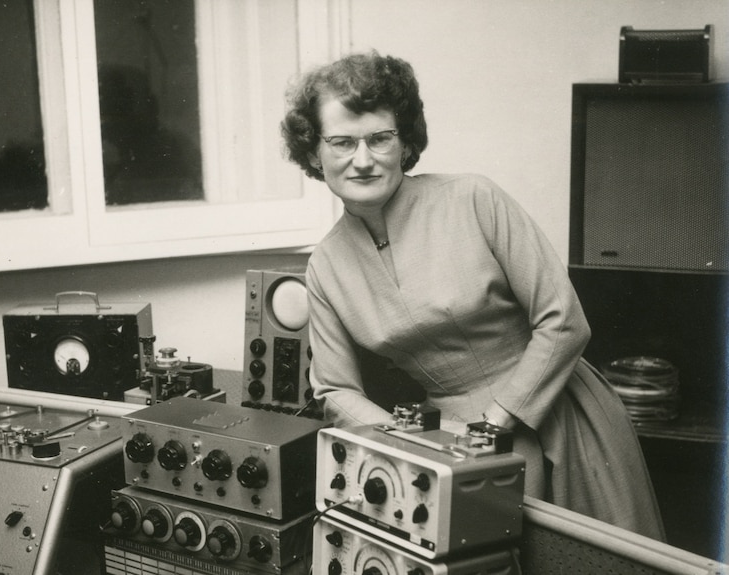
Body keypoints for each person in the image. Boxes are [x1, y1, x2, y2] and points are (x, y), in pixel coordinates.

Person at [280, 50, 665, 540]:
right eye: (342, 142)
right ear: (314, 152)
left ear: (404, 143)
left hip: (554, 412)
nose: (363, 159)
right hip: (446, 445)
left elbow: (564, 320)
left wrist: (492, 423)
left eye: (380, 138)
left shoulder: (474, 199)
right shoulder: (326, 265)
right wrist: (415, 442)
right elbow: (334, 390)